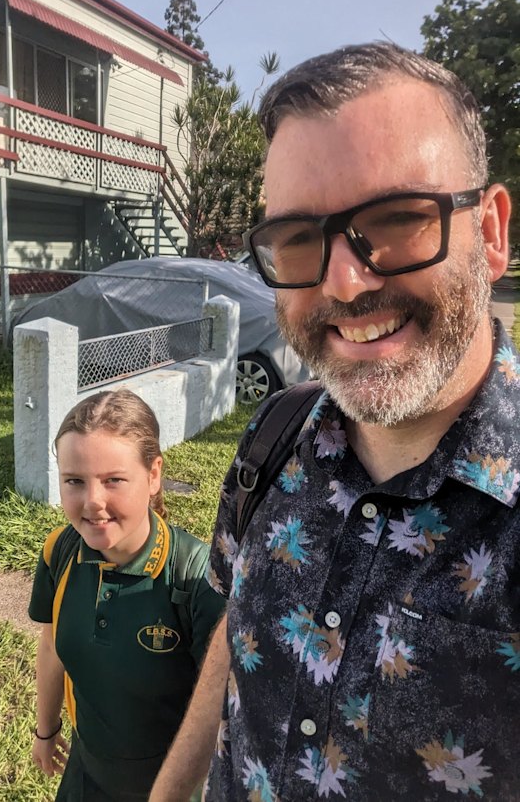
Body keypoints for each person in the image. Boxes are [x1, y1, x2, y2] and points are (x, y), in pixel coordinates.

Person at [149, 42, 520, 801]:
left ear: (490, 231)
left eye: (396, 218)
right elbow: (234, 635)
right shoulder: (272, 441)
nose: (345, 282)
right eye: (298, 239)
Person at [28, 388, 225, 801]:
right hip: (87, 775)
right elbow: (51, 647)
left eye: (113, 480)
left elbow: (221, 714)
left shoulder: (198, 580)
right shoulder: (59, 552)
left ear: (154, 475)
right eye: (74, 481)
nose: (93, 502)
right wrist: (45, 731)